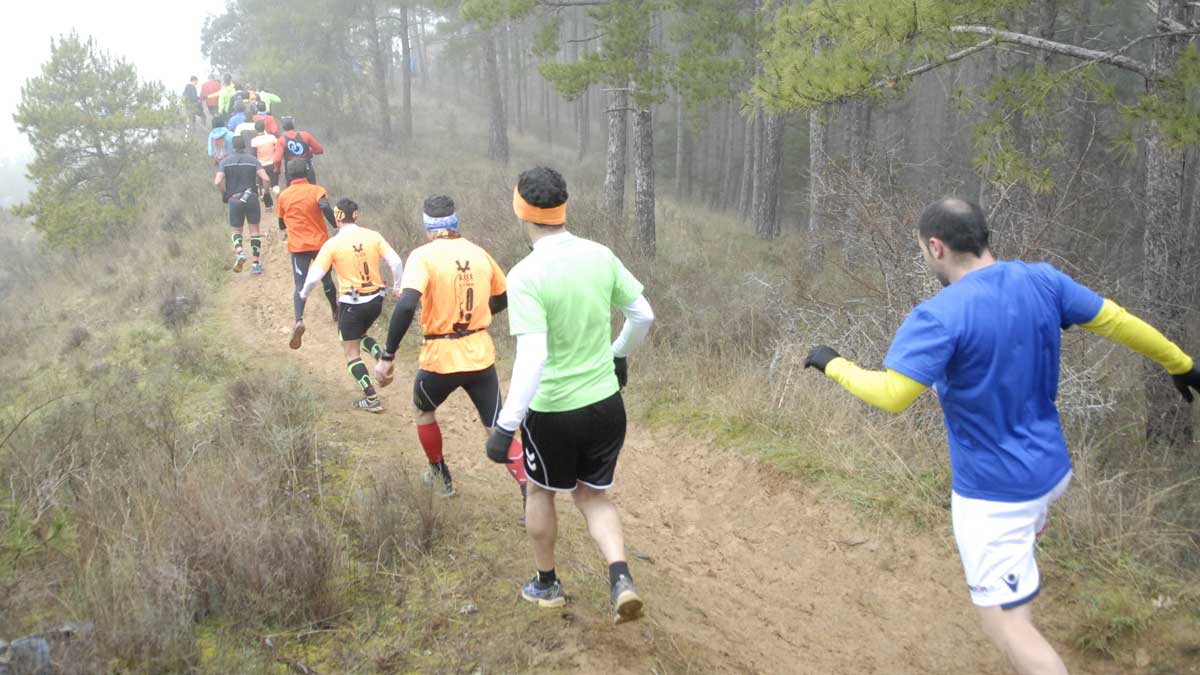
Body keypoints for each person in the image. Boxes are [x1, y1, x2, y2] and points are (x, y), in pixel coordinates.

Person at [802, 198, 1200, 675]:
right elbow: (1115, 320)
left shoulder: (940, 315)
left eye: (923, 252)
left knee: (1007, 628)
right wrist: (1180, 363)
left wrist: (833, 363)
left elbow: (891, 395)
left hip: (995, 496)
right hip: (1050, 471)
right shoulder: (1043, 280)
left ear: (936, 247)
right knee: (1012, 601)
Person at [486, 167, 654, 623]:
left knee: (540, 490)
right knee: (594, 497)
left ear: (520, 208)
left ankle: (546, 584)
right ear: (564, 207)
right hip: (606, 405)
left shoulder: (524, 275)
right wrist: (618, 355)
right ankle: (620, 577)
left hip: (553, 412)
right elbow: (642, 314)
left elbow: (533, 356)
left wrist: (505, 426)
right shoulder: (600, 255)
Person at [373, 195, 527, 507]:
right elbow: (504, 295)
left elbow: (405, 305)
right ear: (454, 223)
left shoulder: (423, 255)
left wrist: (388, 355)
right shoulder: (479, 253)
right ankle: (529, 493)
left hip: (440, 357)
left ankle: (440, 476)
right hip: (479, 354)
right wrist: (476, 317)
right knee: (497, 427)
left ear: (428, 226)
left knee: (423, 411)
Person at [299, 199, 404, 413]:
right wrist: (397, 287)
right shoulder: (373, 236)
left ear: (337, 217)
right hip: (376, 299)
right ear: (355, 215)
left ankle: (371, 397)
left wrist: (303, 294)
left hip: (351, 303)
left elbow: (314, 276)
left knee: (350, 352)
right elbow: (396, 262)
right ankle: (380, 354)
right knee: (358, 334)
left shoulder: (332, 244)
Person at [277, 158, 340, 347]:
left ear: (288, 174)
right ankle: (335, 311)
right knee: (327, 279)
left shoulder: (284, 196)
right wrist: (336, 225)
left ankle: (298, 320)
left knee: (300, 284)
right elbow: (325, 207)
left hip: (298, 246)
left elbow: (281, 224)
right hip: (320, 243)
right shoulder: (316, 190)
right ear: (306, 172)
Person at [214, 135, 271, 274]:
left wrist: (224, 194)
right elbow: (266, 178)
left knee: (236, 231)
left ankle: (240, 252)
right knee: (254, 231)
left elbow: (217, 182)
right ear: (245, 146)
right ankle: (256, 264)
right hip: (251, 198)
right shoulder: (253, 160)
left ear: (232, 147)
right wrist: (266, 193)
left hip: (234, 199)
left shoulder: (225, 161)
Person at [273, 117, 324, 188]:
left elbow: (277, 160)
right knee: (312, 192)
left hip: (291, 173)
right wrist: (308, 150)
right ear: (293, 125)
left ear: (283, 128)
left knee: (292, 195)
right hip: (307, 170)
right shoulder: (305, 135)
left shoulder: (281, 140)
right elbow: (319, 150)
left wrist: (277, 171)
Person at [251, 121, 279, 190]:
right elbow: (277, 148)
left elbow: (254, 155)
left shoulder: (254, 141)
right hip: (273, 165)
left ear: (256, 129)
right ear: (264, 128)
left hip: (261, 167)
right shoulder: (272, 137)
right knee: (275, 186)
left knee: (263, 187)